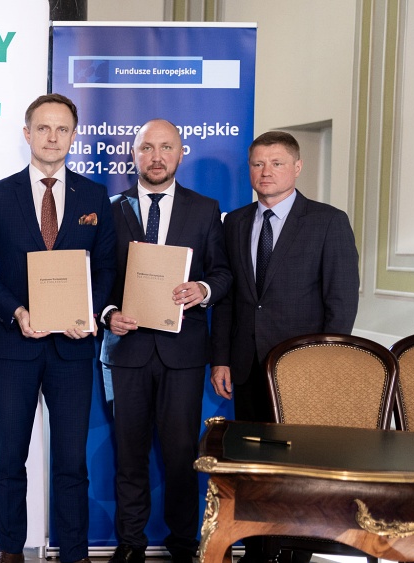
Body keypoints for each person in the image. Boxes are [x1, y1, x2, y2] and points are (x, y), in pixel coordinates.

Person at [0, 93, 117, 563]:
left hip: (73, 350)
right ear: (27, 134)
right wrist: (16, 312)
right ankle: (11, 548)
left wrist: (88, 312)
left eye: (62, 129)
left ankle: (74, 552)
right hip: (15, 346)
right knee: (11, 456)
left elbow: (107, 267)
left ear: (74, 135)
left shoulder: (94, 196)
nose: (53, 137)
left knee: (71, 460)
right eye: (44, 128)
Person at [210, 130, 359, 563]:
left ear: (297, 167)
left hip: (303, 372)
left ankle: (294, 553)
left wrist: (326, 366)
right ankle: (257, 552)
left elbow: (341, 301)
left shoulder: (328, 221)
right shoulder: (235, 222)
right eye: (258, 163)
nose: (266, 172)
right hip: (246, 367)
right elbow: (230, 300)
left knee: (297, 471)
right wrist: (221, 359)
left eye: (276, 163)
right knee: (252, 468)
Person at [100, 119, 231, 563]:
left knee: (180, 457)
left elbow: (223, 273)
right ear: (134, 154)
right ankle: (130, 544)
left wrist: (203, 289)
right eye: (147, 148)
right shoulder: (109, 209)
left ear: (180, 152)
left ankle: (183, 545)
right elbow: (97, 276)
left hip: (183, 354)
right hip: (127, 351)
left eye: (166, 147)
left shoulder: (205, 209)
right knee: (129, 456)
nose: (156, 157)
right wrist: (107, 314)